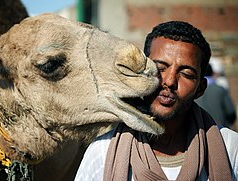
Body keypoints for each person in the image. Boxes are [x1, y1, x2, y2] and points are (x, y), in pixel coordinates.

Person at [75, 21, 238, 180]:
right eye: (159, 69)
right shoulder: (103, 151)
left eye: (186, 74)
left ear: (200, 88)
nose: (169, 81)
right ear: (142, 72)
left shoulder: (229, 148)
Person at [195, 63, 236, 128]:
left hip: (199, 132)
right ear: (212, 73)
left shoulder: (193, 91)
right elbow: (231, 113)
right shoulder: (220, 89)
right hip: (220, 132)